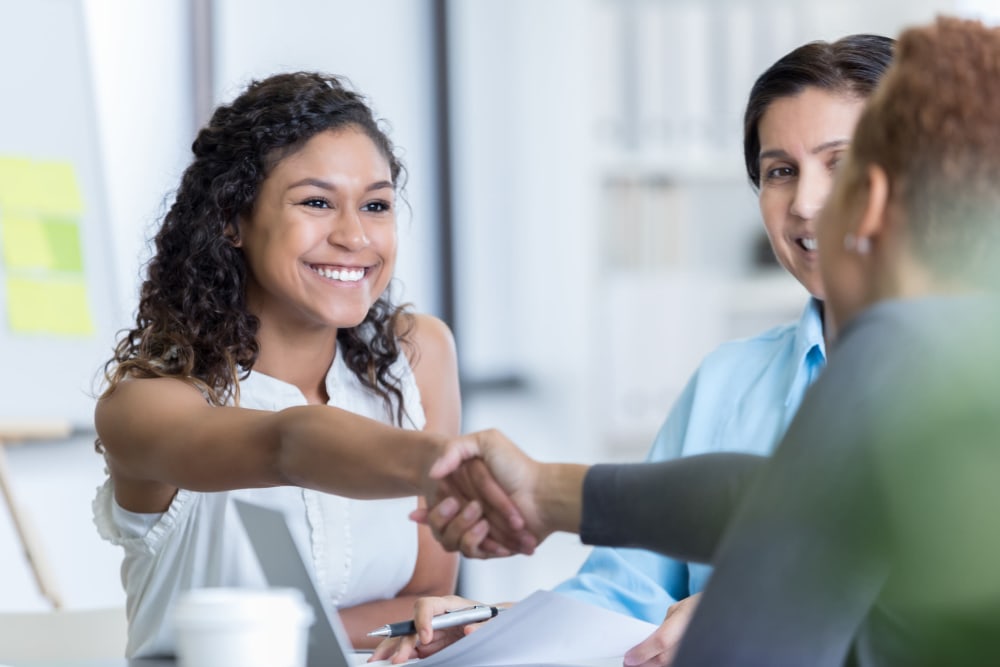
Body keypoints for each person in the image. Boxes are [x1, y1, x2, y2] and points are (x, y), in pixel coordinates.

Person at [417, 15, 1000, 666]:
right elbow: (634, 586)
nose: (806, 203)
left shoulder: (939, 365)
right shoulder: (730, 379)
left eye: (842, 165)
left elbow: (788, 510)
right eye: (780, 171)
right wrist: (499, 621)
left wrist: (551, 494)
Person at [91, 71, 520, 658]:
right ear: (231, 219)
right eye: (316, 202)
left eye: (376, 205)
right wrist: (449, 465)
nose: (354, 236)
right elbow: (287, 443)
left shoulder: (417, 356)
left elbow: (421, 598)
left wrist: (430, 621)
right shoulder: (146, 406)